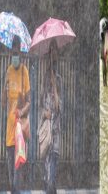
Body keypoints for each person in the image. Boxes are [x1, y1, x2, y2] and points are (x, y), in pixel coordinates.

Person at [1, 38, 31, 194]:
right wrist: (4, 87)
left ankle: (15, 190)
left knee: (16, 169)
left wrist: (22, 111)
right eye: (12, 52)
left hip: (19, 127)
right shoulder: (8, 71)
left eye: (17, 53)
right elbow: (3, 104)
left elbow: (29, 102)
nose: (14, 55)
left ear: (20, 52)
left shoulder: (24, 72)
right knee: (9, 169)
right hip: (9, 128)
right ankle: (13, 189)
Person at [41, 40, 63, 194]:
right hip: (46, 128)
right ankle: (50, 188)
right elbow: (41, 102)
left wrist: (55, 86)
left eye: (55, 50)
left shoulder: (59, 78)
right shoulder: (45, 76)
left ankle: (50, 188)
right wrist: (44, 112)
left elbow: (59, 106)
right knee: (48, 167)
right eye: (51, 51)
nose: (53, 53)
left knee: (53, 163)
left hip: (56, 128)